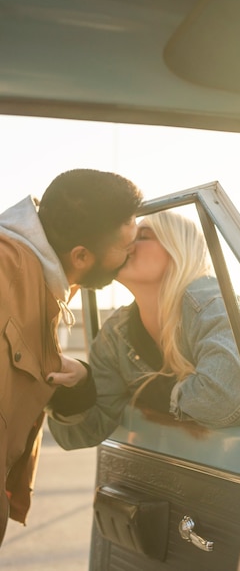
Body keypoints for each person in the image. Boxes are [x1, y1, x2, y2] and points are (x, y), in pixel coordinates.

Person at [0, 168, 143, 545]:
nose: (132, 254)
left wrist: (79, 380)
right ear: (81, 255)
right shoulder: (7, 272)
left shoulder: (41, 282)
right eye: (126, 247)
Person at [48, 210, 240, 450]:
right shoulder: (116, 333)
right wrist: (80, 387)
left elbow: (224, 400)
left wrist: (148, 395)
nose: (127, 245)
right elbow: (78, 435)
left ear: (178, 248)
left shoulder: (212, 303)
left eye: (142, 235)